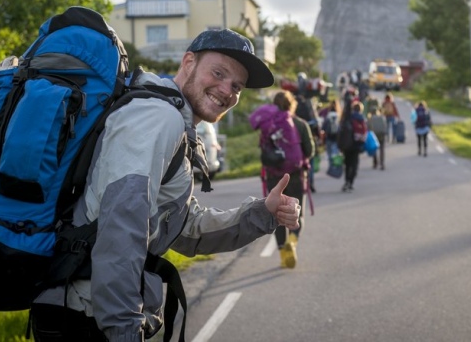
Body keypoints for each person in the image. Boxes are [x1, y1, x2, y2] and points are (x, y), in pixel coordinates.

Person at [31, 29, 301, 341]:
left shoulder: (172, 119)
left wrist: (262, 213)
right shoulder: (158, 117)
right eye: (219, 73)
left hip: (88, 307)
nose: (227, 90)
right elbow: (123, 224)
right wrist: (123, 328)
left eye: (236, 86)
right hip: (85, 315)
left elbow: (184, 230)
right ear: (188, 62)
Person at [250, 90, 313, 269]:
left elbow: (264, 151)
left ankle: (282, 252)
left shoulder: (268, 126)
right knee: (296, 213)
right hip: (296, 175)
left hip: (274, 178)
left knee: (277, 216)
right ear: (291, 104)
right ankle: (292, 242)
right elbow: (310, 151)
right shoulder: (300, 124)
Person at [339, 99, 367, 192]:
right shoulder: (361, 119)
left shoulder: (348, 118)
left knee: (347, 164)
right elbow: (364, 133)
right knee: (354, 164)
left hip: (347, 145)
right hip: (357, 145)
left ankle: (347, 180)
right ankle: (351, 182)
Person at [295, 94, 320, 193]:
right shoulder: (309, 111)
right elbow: (316, 125)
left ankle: (301, 183)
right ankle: (310, 183)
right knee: (310, 163)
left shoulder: (294, 116)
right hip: (309, 140)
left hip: (296, 143)